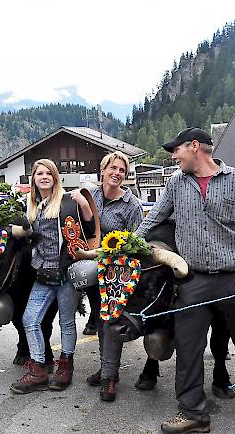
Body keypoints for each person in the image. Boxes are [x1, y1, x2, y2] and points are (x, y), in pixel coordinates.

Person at [136, 128, 235, 434]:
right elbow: (152, 220)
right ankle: (193, 412)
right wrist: (123, 246)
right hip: (192, 279)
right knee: (188, 346)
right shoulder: (176, 183)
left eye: (176, 150)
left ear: (194, 147)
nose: (173, 156)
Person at [10, 159, 94, 394]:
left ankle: (66, 365)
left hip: (66, 271)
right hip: (43, 272)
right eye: (39, 174)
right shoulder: (32, 205)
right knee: (30, 319)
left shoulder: (67, 201)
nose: (44, 177)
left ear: (55, 177)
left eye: (49, 173)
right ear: (33, 179)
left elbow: (88, 229)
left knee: (66, 321)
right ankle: (38, 368)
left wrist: (85, 206)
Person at [83, 151, 144, 401]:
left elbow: (139, 241)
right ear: (103, 170)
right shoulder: (91, 196)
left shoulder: (131, 205)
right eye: (113, 168)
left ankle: (109, 377)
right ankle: (107, 367)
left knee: (110, 321)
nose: (117, 173)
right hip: (92, 268)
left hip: (118, 271)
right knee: (99, 320)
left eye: (122, 170)